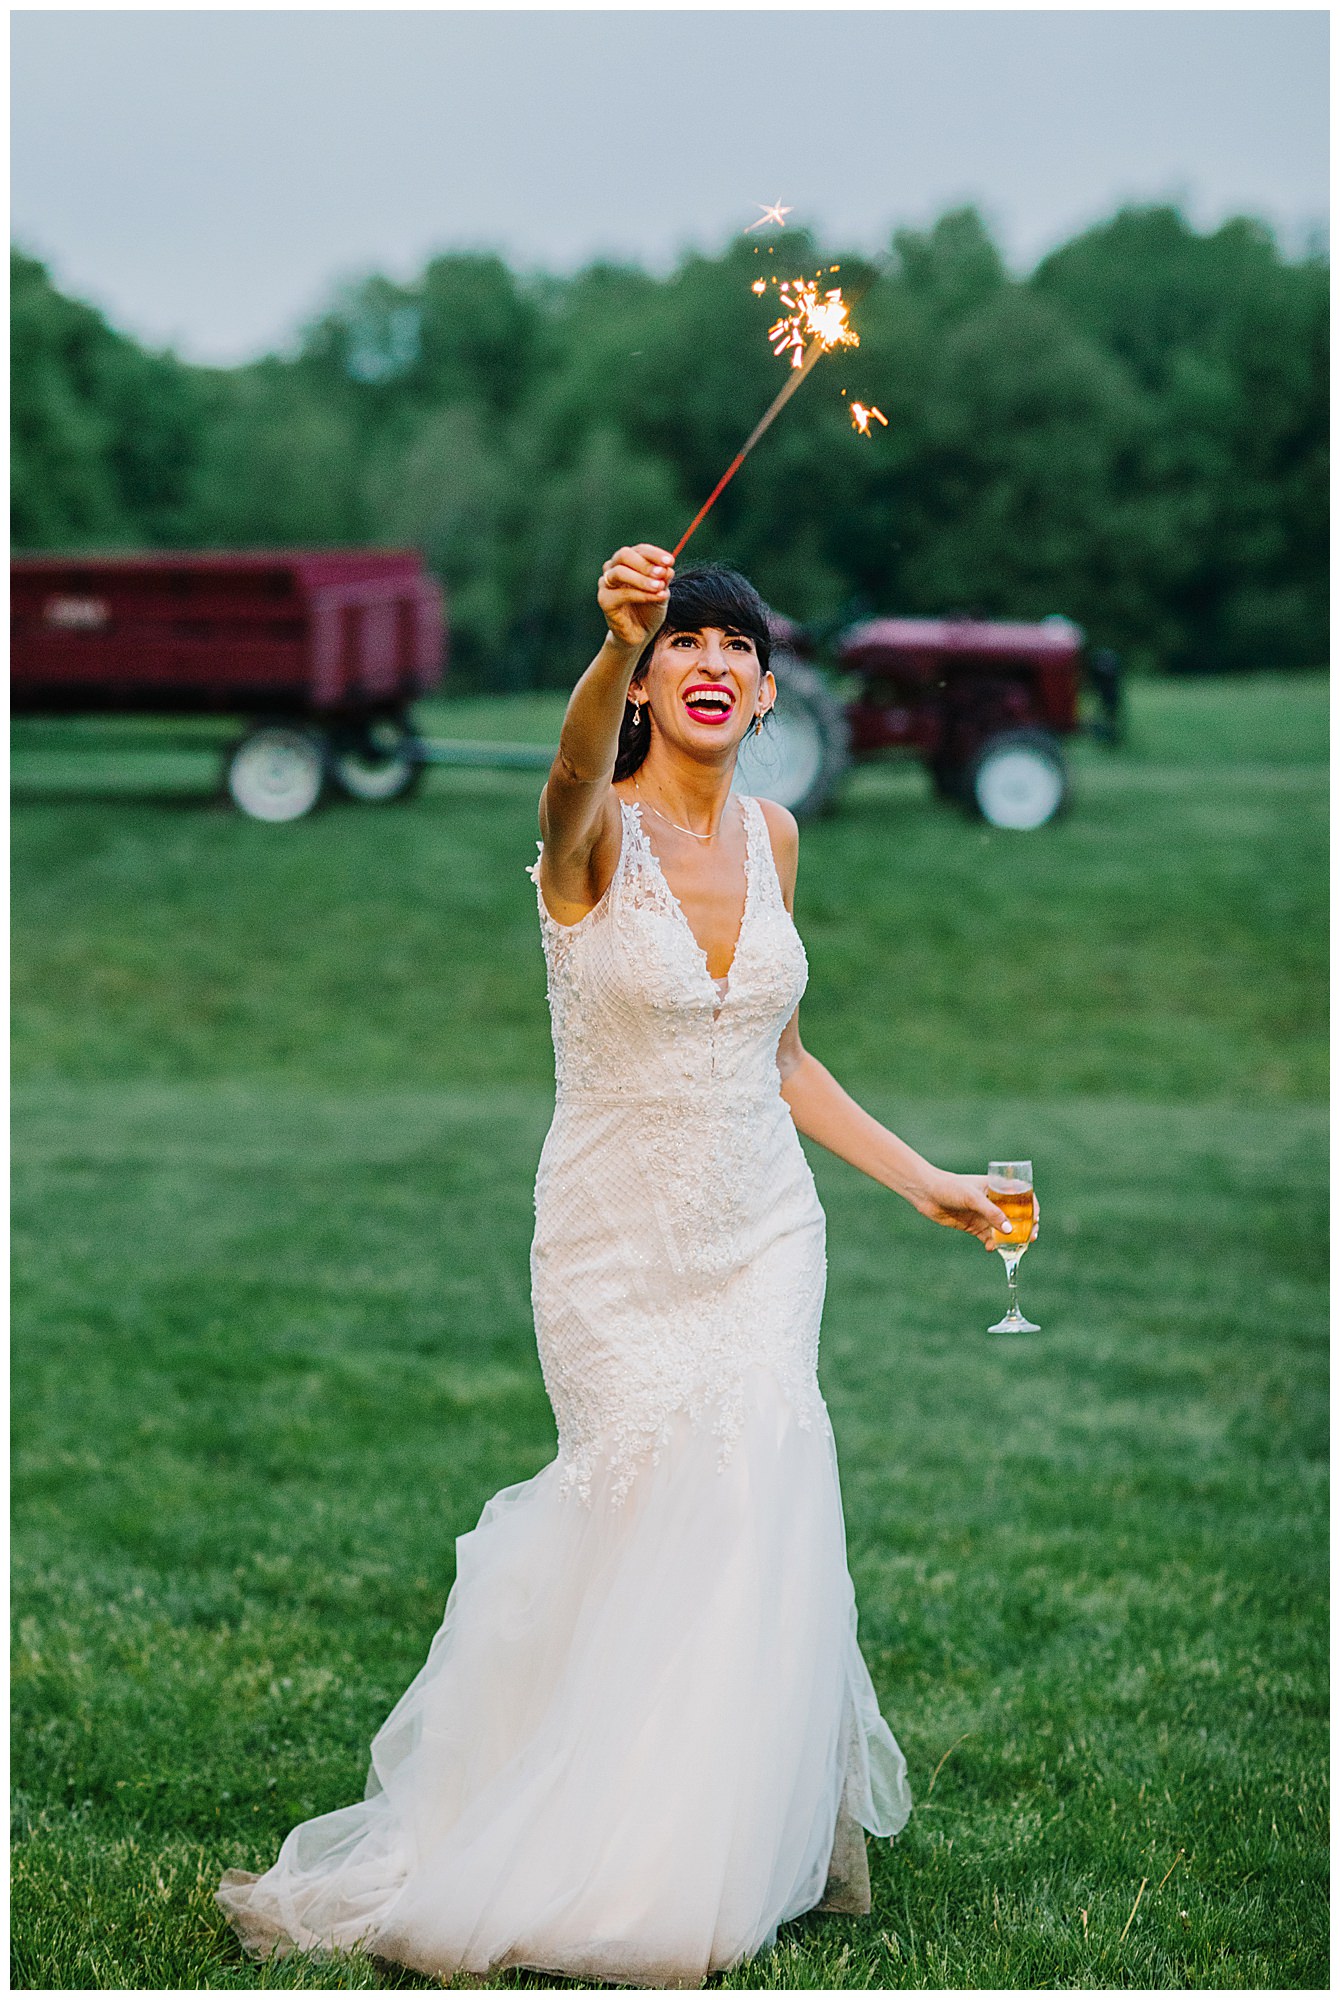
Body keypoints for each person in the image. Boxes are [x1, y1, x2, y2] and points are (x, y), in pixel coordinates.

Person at [217, 543, 1034, 1987]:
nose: (714, 665)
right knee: (647, 1505)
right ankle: (588, 1841)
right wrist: (607, 645)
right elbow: (567, 771)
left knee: (757, 1495)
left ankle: (721, 1843)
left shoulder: (776, 841)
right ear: (650, 686)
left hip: (765, 1229)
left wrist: (927, 1186)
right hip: (612, 1238)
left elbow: (779, 1053)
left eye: (739, 649)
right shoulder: (588, 837)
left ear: (772, 692)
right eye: (685, 646)